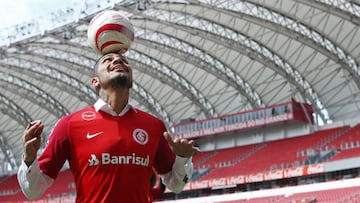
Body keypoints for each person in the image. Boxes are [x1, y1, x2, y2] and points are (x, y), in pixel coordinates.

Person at [17, 52, 200, 203]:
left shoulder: (153, 125)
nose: (118, 61)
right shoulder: (69, 125)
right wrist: (29, 159)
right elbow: (32, 192)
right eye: (108, 60)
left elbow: (177, 184)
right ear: (95, 82)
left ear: (131, 80)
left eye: (123, 61)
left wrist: (183, 158)